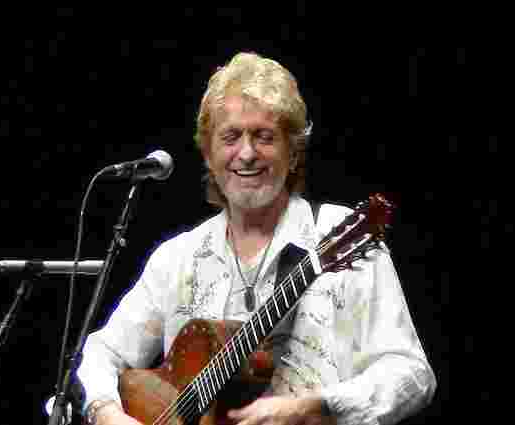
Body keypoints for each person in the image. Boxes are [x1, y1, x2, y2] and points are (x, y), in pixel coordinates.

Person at [75, 52, 436, 425]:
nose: (246, 154)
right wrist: (105, 411)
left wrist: (319, 406)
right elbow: (100, 353)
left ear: (292, 153)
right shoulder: (176, 259)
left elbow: (411, 373)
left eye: (264, 136)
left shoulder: (338, 233)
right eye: (230, 137)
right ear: (209, 154)